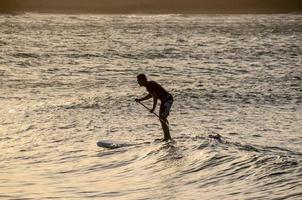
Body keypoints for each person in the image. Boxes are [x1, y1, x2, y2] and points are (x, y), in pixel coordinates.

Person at [135, 74, 173, 141]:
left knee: (162, 118)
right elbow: (151, 95)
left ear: (143, 80)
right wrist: (140, 100)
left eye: (139, 80)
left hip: (167, 100)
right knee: (162, 118)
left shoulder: (149, 86)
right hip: (165, 100)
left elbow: (155, 97)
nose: (138, 82)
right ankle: (167, 137)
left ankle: (168, 137)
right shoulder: (149, 85)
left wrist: (153, 108)